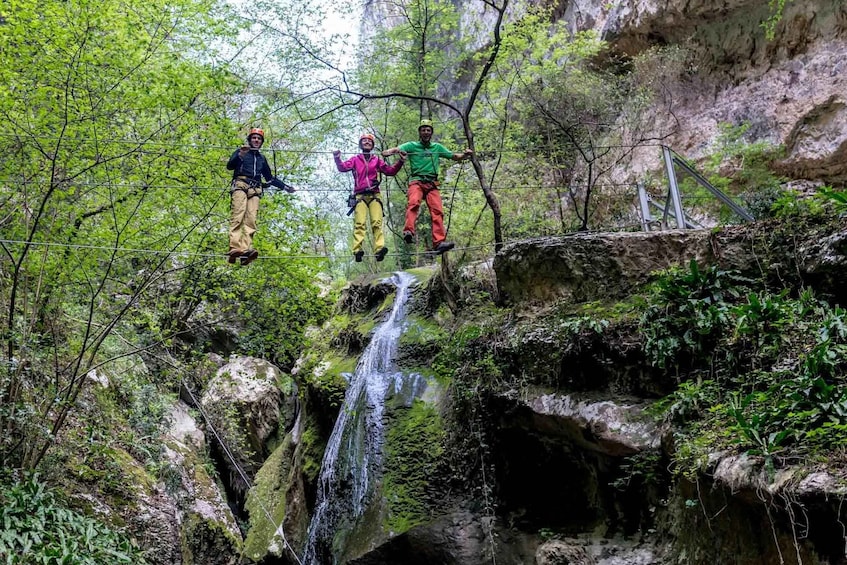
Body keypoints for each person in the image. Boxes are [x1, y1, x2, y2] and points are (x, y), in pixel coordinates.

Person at [382, 119, 472, 254]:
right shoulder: (412, 146)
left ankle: (439, 243)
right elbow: (395, 149)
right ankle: (408, 231)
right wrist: (388, 152)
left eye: (428, 130)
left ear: (431, 133)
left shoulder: (437, 147)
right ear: (419, 132)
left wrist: (465, 155)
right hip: (416, 181)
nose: (426, 132)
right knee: (413, 203)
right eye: (423, 130)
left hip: (432, 183)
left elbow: (454, 156)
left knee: (438, 211)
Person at [226, 128, 295, 265]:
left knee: (251, 219)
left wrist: (285, 187)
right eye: (254, 138)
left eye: (259, 139)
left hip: (255, 189)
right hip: (240, 184)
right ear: (250, 140)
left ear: (261, 142)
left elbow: (269, 178)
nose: (256, 140)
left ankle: (246, 250)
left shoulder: (261, 158)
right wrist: (240, 154)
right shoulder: (241, 152)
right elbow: (230, 166)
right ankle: (234, 247)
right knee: (238, 215)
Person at [334, 133, 406, 262]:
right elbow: (342, 168)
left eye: (369, 141)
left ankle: (379, 250)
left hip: (374, 195)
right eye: (364, 141)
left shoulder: (376, 160)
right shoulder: (355, 159)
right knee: (359, 223)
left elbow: (390, 171)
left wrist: (400, 161)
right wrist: (337, 158)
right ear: (361, 144)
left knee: (377, 223)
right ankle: (357, 250)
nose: (367, 142)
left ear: (372, 145)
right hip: (360, 195)